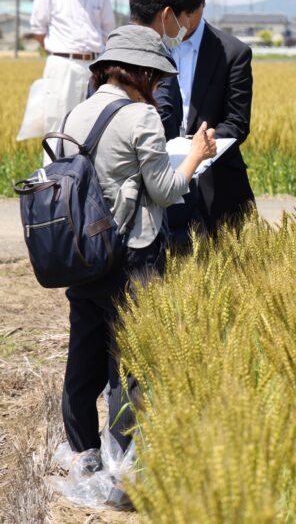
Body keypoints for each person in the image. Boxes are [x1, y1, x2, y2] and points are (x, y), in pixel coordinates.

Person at [58, 25, 216, 476]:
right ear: (141, 73)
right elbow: (164, 190)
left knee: (83, 358)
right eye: (157, 79)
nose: (159, 87)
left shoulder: (76, 113)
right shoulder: (141, 116)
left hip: (84, 254)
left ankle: (83, 458)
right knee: (128, 366)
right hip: (131, 255)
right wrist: (196, 155)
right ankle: (121, 468)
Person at [151, 0, 256, 246]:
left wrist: (196, 149)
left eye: (189, 11)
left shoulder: (233, 52)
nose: (181, 21)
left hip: (215, 183)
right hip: (156, 174)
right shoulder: (149, 47)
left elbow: (237, 122)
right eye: (174, 11)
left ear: (202, 2)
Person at [26, 0, 116, 139]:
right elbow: (39, 30)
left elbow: (108, 30)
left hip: (94, 64)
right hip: (63, 64)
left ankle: (85, 161)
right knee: (58, 122)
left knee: (93, 123)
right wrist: (59, 50)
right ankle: (54, 161)